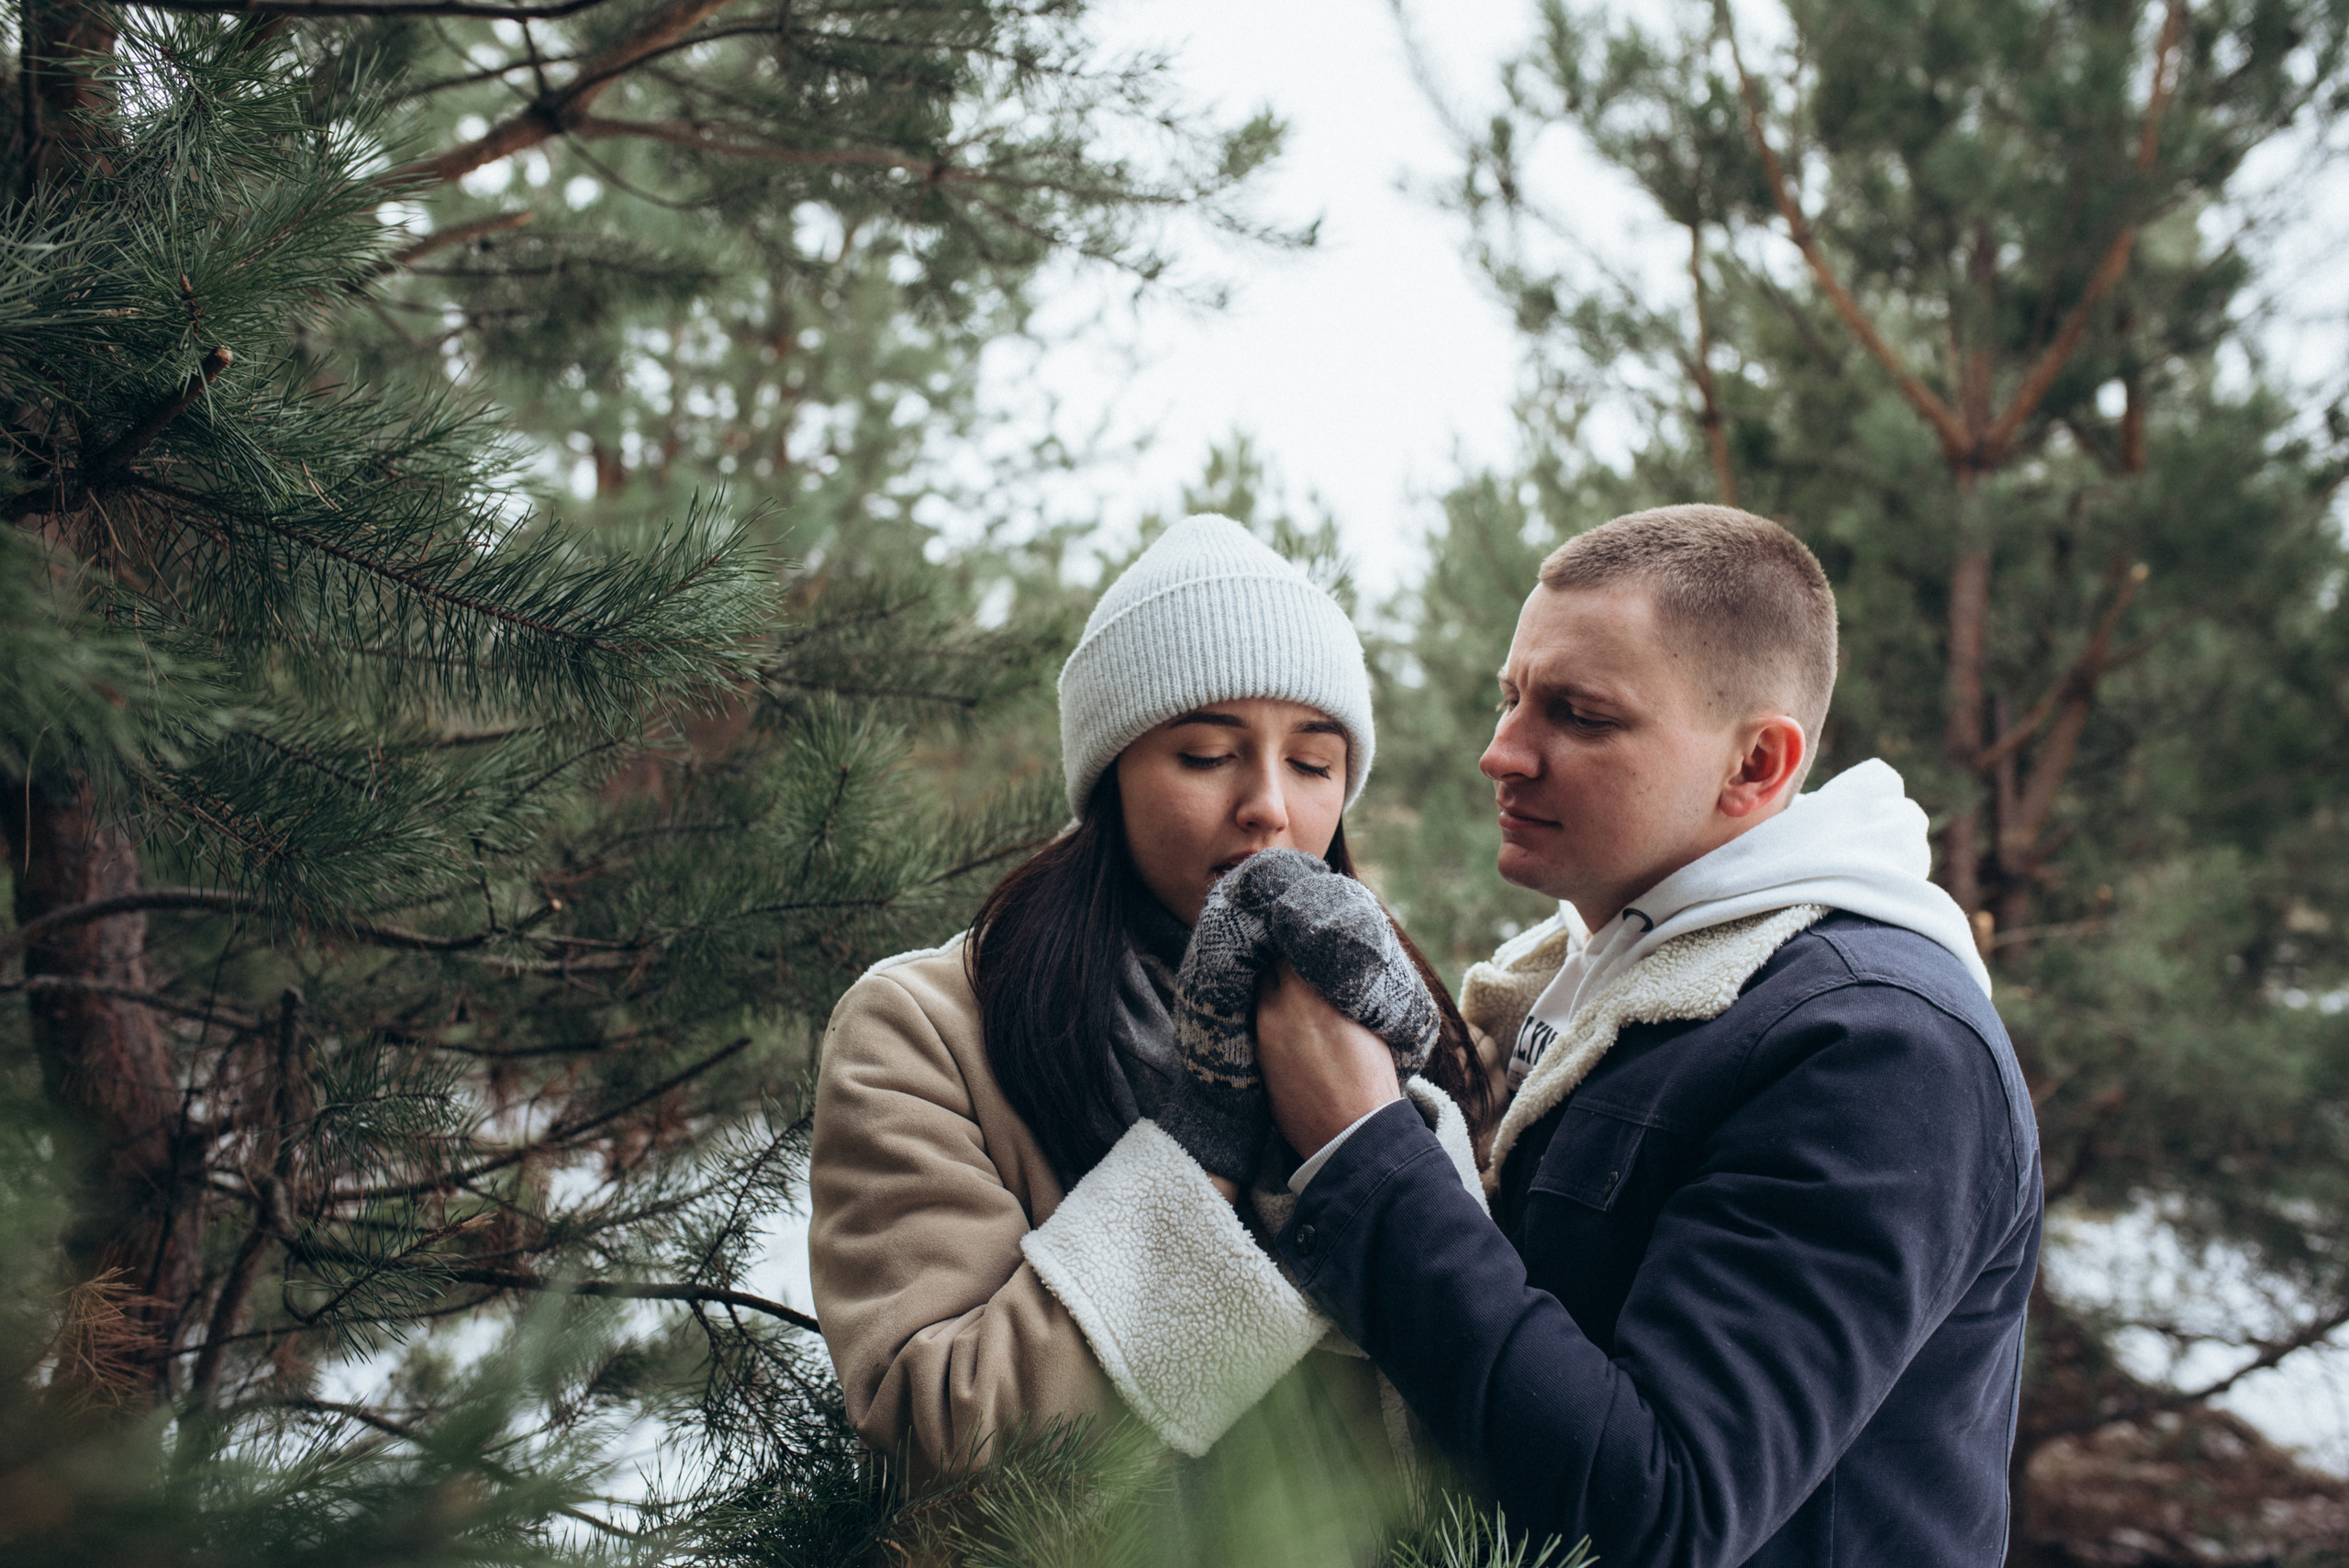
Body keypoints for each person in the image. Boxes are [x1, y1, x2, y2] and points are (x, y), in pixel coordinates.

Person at [1251, 505, 2044, 1567]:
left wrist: (1362, 1149)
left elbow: (1657, 1516)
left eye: (1577, 713)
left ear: (1756, 764)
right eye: (1511, 696)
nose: (1501, 752)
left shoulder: (1878, 1049)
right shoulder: (1595, 983)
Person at [805, 515, 1494, 1554]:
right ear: (1111, 775)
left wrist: (1371, 1129)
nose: (1266, 805)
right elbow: (948, 1453)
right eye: (1208, 752)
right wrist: (1205, 1132)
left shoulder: (1396, 1024)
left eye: (1312, 764)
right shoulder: (926, 1031)